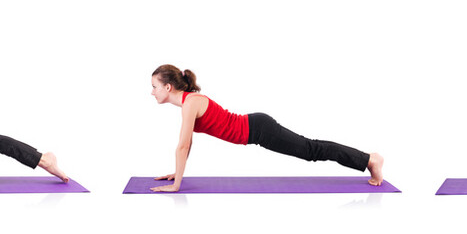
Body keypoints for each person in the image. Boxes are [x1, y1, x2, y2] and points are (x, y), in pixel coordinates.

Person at [148, 64, 385, 192]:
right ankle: (367, 160)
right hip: (256, 128)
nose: (152, 92)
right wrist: (177, 173)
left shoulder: (190, 103)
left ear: (168, 87)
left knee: (311, 150)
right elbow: (187, 144)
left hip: (259, 129)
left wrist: (177, 184)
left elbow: (183, 145)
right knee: (310, 149)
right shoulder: (189, 103)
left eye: (155, 87)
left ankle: (369, 159)